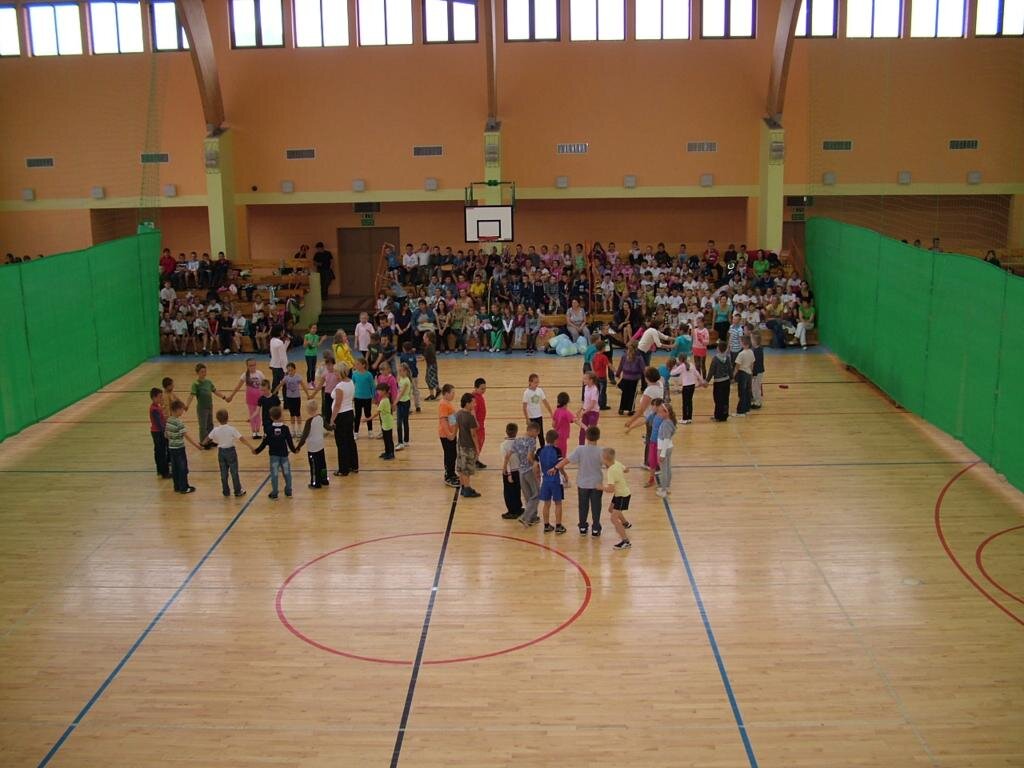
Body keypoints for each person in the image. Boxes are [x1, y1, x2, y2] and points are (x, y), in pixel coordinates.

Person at [555, 425, 604, 537]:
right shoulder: (602, 451)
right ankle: (595, 528)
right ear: (598, 437)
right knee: (596, 506)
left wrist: (555, 468)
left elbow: (566, 460)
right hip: (597, 484)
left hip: (583, 483)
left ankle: (582, 527)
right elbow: (609, 464)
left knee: (583, 506)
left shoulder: (580, 449)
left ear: (586, 436)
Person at [205, 409, 254, 497]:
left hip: (221, 452)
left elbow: (207, 438)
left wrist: (202, 444)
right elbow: (241, 439)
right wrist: (251, 447)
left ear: (217, 419)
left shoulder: (215, 430)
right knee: (234, 472)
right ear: (227, 418)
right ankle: (237, 491)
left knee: (223, 473)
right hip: (231, 452)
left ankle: (226, 491)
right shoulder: (231, 429)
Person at [253, 406, 297, 499]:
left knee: (274, 474)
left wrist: (257, 451)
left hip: (274, 455)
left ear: (271, 417)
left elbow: (264, 443)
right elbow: (290, 442)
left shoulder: (269, 429)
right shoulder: (285, 428)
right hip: (284, 455)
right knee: (287, 473)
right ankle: (288, 491)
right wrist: (294, 450)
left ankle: (275, 493)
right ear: (281, 416)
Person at [184, 363, 228, 444]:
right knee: (203, 426)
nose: (204, 373)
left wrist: (224, 397)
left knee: (210, 424)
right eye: (202, 372)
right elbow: (191, 395)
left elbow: (215, 391)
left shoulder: (208, 382)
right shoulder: (195, 384)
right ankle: (203, 442)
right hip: (202, 408)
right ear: (197, 373)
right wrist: (187, 405)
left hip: (209, 406)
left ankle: (210, 440)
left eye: (205, 371)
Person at [329, 364, 359, 476]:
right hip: (350, 413)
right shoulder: (350, 382)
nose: (334, 374)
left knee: (341, 443)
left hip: (341, 416)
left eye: (336, 372)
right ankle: (354, 465)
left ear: (340, 372)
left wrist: (332, 419)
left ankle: (343, 469)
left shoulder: (340, 386)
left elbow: (337, 404)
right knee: (350, 440)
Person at [165, 400, 201, 494]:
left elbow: (166, 435)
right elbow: (186, 435)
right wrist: (196, 445)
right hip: (179, 448)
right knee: (182, 468)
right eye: (181, 409)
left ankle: (177, 486)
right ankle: (184, 487)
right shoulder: (179, 422)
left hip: (171, 448)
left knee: (175, 468)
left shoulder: (168, 420)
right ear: (177, 410)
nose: (182, 411)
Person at [538, 429, 569, 534]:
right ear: (556, 440)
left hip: (545, 480)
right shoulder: (557, 451)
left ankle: (546, 526)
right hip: (555, 480)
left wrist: (537, 476)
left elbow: (535, 465)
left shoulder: (540, 450)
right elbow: (560, 465)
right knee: (558, 503)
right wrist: (565, 474)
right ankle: (558, 526)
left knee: (546, 504)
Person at [294, 399, 329, 489]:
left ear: (308, 410)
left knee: (314, 466)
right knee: (322, 464)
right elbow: (328, 427)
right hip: (320, 445)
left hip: (313, 448)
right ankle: (324, 480)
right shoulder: (321, 417)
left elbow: (304, 436)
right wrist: (334, 427)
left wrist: (298, 447)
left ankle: (315, 483)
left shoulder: (309, 421)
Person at [603, 447, 633, 550]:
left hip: (622, 496)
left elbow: (610, 489)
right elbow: (627, 469)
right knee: (611, 509)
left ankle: (625, 542)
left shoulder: (611, 471)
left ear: (605, 459)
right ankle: (625, 523)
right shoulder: (616, 463)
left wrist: (600, 487)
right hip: (621, 493)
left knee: (613, 518)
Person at [515, 421, 542, 527]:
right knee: (536, 494)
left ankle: (532, 517)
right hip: (529, 470)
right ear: (533, 431)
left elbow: (510, 454)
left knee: (528, 496)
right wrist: (535, 464)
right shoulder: (531, 441)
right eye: (537, 433)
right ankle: (525, 517)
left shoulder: (518, 440)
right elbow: (529, 457)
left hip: (521, 471)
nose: (537, 435)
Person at [455, 392, 482, 497]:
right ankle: (467, 489)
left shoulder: (458, 413)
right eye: (473, 403)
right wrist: (477, 448)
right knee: (467, 469)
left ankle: (464, 487)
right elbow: (474, 434)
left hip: (460, 445)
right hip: (469, 447)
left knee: (461, 468)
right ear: (467, 403)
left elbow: (452, 423)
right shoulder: (470, 417)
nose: (475, 404)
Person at [500, 423, 526, 520]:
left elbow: (506, 460)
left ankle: (512, 511)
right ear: (516, 432)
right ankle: (518, 508)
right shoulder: (520, 443)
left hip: (509, 472)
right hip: (519, 471)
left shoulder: (504, 445)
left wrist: (509, 474)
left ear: (506, 431)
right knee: (517, 490)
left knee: (509, 492)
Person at [671, 356, 705, 424]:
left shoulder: (682, 366)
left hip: (686, 386)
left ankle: (684, 419)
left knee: (685, 403)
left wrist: (674, 367)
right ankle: (689, 418)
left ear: (680, 360)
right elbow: (697, 374)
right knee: (689, 402)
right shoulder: (691, 364)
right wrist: (702, 381)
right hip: (692, 385)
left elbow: (672, 373)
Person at [521, 373, 553, 447]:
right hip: (531, 418)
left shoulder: (540, 390)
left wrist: (551, 413)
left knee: (541, 435)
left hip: (539, 416)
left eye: (538, 382)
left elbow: (545, 402)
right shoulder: (526, 393)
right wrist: (527, 419)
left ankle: (543, 450)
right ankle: (531, 451)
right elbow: (524, 407)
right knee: (532, 437)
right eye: (535, 382)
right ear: (530, 382)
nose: (537, 384)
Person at [276, 362, 309, 430]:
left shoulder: (298, 377)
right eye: (289, 370)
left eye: (292, 370)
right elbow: (279, 385)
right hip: (289, 398)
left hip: (296, 398)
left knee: (298, 414)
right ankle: (293, 429)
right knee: (292, 415)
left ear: (295, 370)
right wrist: (273, 393)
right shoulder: (286, 378)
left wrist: (308, 395)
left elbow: (303, 386)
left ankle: (299, 429)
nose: (290, 372)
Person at [437, 384, 459, 487]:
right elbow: (443, 420)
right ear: (446, 393)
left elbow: (451, 419)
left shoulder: (447, 403)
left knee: (453, 454)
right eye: (452, 393)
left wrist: (454, 432)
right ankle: (448, 476)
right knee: (449, 455)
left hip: (451, 434)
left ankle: (452, 473)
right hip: (446, 435)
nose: (454, 395)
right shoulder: (443, 404)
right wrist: (449, 434)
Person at [655, 402, 677, 498]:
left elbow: (666, 439)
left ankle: (663, 490)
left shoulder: (666, 424)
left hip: (664, 449)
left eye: (660, 412)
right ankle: (667, 487)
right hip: (668, 447)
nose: (659, 414)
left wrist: (662, 453)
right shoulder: (669, 422)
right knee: (667, 468)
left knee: (664, 470)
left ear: (666, 413)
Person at [708, 340, 733, 422]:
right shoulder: (727, 358)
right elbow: (730, 369)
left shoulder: (715, 359)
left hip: (718, 382)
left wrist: (707, 381)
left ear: (718, 348)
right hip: (726, 381)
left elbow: (711, 371)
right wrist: (732, 378)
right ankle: (725, 415)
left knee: (718, 399)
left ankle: (718, 416)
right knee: (725, 399)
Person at [148, 387, 170, 479]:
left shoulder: (157, 407)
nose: (161, 398)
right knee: (161, 453)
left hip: (157, 432)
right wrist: (165, 432)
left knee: (158, 452)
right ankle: (165, 472)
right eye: (160, 397)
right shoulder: (154, 409)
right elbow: (159, 423)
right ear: (154, 397)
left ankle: (160, 470)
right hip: (158, 433)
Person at [352, 357, 376, 438]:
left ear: (363, 365)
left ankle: (370, 431)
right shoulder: (354, 374)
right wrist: (352, 395)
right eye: (356, 364)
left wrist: (373, 397)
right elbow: (352, 385)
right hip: (357, 398)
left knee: (368, 414)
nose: (356, 365)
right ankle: (356, 432)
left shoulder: (369, 375)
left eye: (358, 364)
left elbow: (372, 387)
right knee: (357, 415)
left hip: (367, 398)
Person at [372, 382, 396, 460]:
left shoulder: (384, 401)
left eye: (379, 391)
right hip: (385, 422)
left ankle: (391, 454)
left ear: (384, 391)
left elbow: (377, 413)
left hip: (387, 423)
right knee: (386, 438)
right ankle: (387, 452)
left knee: (388, 439)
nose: (377, 392)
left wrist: (368, 419)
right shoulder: (385, 399)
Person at [733, 334, 755, 416]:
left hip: (742, 373)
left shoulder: (741, 354)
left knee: (742, 392)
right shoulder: (751, 352)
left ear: (743, 343)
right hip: (749, 373)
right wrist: (751, 373)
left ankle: (740, 411)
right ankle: (747, 408)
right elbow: (752, 364)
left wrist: (733, 376)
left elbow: (737, 366)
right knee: (747, 392)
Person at [398, 342, 422, 413]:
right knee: (416, 391)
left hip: (407, 377)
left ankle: (409, 408)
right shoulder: (413, 356)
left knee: (407, 392)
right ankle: (418, 406)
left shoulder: (402, 356)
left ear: (404, 349)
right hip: (414, 376)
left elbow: (402, 366)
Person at [578, 372, 600, 445]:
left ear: (591, 380)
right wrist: (581, 409)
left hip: (593, 413)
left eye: (585, 379)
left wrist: (583, 412)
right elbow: (586, 401)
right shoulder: (586, 387)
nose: (583, 380)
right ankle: (581, 447)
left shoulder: (595, 390)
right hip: (586, 412)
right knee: (582, 431)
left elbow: (592, 405)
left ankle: (592, 448)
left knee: (592, 433)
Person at [551, 391, 575, 457]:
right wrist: (585, 427)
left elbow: (553, 425)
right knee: (562, 455)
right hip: (563, 437)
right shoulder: (566, 412)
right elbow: (574, 420)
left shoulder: (557, 410)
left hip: (556, 435)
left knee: (556, 452)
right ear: (567, 402)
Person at [396, 362, 413, 449]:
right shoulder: (400, 379)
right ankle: (401, 442)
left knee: (404, 422)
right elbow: (398, 390)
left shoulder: (406, 381)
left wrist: (394, 403)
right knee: (399, 422)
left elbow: (401, 393)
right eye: (399, 371)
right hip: (400, 402)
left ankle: (405, 441)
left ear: (405, 371)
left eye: (401, 371)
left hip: (405, 403)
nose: (399, 372)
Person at [471, 378, 488, 467]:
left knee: (480, 442)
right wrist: (476, 423)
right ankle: (473, 461)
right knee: (477, 443)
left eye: (485, 388)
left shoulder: (479, 396)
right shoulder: (474, 398)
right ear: (476, 388)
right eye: (482, 389)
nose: (484, 390)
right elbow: (473, 412)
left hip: (480, 424)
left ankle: (475, 460)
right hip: (477, 426)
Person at [591, 341, 611, 410]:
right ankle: (602, 405)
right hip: (602, 377)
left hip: (596, 377)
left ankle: (596, 404)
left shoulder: (594, 356)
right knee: (602, 392)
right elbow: (609, 365)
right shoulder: (604, 357)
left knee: (597, 391)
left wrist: (593, 372)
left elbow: (592, 363)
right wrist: (616, 371)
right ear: (603, 348)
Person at [269, 325, 290, 390]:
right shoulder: (279, 342)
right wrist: (285, 369)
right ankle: (285, 395)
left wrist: (287, 342)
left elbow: (281, 351)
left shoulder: (272, 340)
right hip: (280, 367)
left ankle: (274, 395)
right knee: (285, 384)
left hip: (274, 366)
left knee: (275, 383)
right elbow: (283, 357)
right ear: (280, 332)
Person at [422, 332, 440, 401]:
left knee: (430, 380)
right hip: (430, 365)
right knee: (428, 379)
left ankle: (436, 391)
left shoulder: (429, 347)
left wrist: (415, 359)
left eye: (424, 337)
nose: (423, 338)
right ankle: (433, 393)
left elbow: (424, 358)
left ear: (428, 339)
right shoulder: (429, 346)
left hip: (432, 366)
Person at [750, 329, 765, 409]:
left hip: (758, 372)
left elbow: (757, 364)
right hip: (757, 371)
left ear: (755, 341)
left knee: (756, 387)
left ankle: (758, 402)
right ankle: (755, 400)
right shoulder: (756, 349)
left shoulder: (757, 351)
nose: (750, 340)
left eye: (751, 339)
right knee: (754, 387)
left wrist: (754, 373)